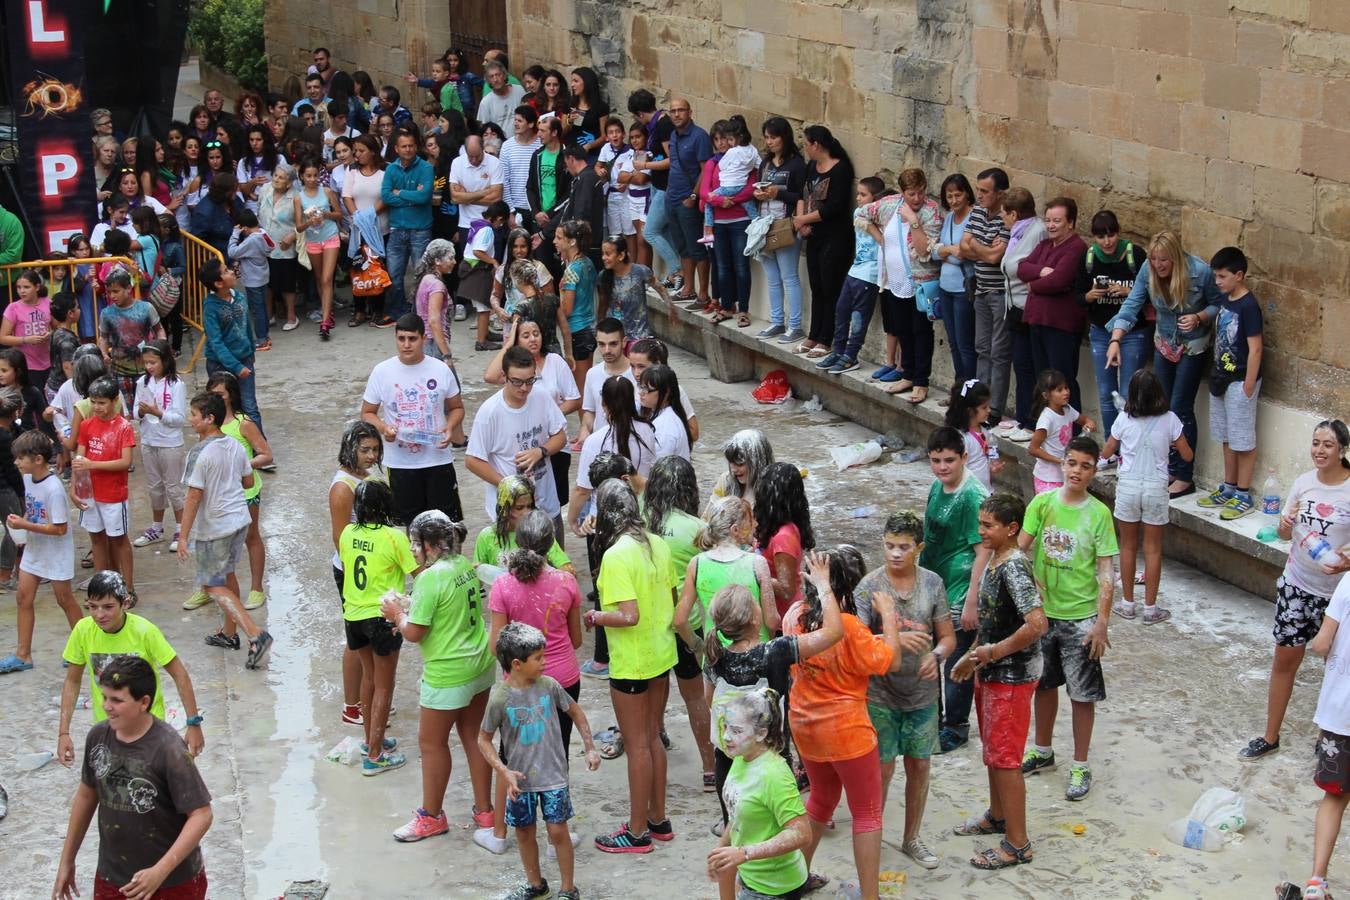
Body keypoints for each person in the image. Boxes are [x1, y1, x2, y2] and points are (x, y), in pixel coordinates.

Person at [702, 558, 845, 898]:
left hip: (730, 759)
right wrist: (824, 585)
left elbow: (710, 701)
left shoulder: (715, 655)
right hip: (768, 758)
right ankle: (786, 881)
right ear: (755, 617)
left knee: (735, 828)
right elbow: (834, 633)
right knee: (778, 823)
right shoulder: (775, 651)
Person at [783, 546, 902, 900]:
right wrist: (890, 618)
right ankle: (870, 896)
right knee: (866, 812)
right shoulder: (849, 626)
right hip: (847, 732)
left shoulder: (794, 616)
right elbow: (889, 662)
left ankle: (794, 879)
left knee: (821, 798)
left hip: (805, 725)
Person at [52, 657, 212, 900]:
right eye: (104, 697)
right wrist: (66, 861)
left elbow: (201, 815)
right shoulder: (98, 737)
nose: (107, 706)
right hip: (113, 878)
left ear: (144, 702)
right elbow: (86, 795)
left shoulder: (168, 749)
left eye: (117, 700)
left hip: (171, 883)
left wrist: (160, 871)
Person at [949, 492, 1048, 869]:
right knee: (994, 752)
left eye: (988, 526)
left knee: (1006, 759)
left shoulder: (1013, 566)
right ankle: (998, 816)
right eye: (980, 523)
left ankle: (1018, 844)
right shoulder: (996, 559)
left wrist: (990, 654)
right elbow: (992, 620)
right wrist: (974, 655)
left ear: (1012, 529)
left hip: (1011, 677)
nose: (981, 532)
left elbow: (1037, 624)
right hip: (992, 673)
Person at [1240, 420, 1350, 762]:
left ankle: (1326, 739)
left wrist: (1347, 562)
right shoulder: (1303, 483)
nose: (1319, 450)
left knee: (1336, 670)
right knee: (1284, 661)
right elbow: (1285, 535)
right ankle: (1270, 736)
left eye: (1328, 444)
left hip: (1337, 597)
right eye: (1315, 443)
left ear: (1343, 449)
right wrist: (1284, 526)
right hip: (1296, 586)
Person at [852, 511, 954, 869]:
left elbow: (947, 637)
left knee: (920, 766)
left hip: (922, 693)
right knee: (881, 769)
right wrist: (892, 636)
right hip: (880, 694)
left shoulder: (932, 584)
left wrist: (937, 656)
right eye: (890, 546)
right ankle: (872, 834)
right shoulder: (869, 586)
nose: (896, 553)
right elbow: (857, 641)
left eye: (904, 547)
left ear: (919, 548)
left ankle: (912, 837)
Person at [1018, 435, 1118, 801]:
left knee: (1082, 694)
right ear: (1063, 464)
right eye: (1072, 463)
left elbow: (1107, 573)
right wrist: (1030, 590)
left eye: (1085, 466)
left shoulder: (1099, 514)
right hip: (1043, 617)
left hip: (1081, 619)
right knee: (1043, 686)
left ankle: (1080, 764)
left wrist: (1102, 622)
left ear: (1094, 471)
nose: (1077, 471)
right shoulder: (1042, 505)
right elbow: (1018, 552)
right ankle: (1042, 750)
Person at [583, 479, 677, 853]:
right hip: (661, 656)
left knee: (637, 744)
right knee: (653, 738)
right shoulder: (658, 544)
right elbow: (669, 596)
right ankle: (658, 819)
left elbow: (629, 615)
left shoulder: (616, 555)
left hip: (632, 663)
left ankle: (637, 832)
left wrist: (595, 617)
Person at [478, 622, 601, 900]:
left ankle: (568, 889)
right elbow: (483, 740)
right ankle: (536, 885)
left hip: (553, 775)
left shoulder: (550, 686)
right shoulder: (500, 698)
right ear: (517, 664)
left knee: (558, 831)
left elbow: (577, 713)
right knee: (524, 831)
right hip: (520, 781)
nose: (545, 663)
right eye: (538, 658)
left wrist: (590, 748)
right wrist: (504, 771)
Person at [1105, 230, 1223, 498]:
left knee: (1180, 407)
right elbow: (1132, 303)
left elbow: (1219, 303)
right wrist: (1115, 339)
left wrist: (1200, 316)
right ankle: (1168, 467)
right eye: (1154, 259)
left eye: (1164, 260)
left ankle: (1184, 475)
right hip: (1163, 342)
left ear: (1177, 258)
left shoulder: (1200, 272)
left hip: (1193, 345)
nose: (1158, 265)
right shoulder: (1148, 269)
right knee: (1161, 406)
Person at [57, 569, 203, 765]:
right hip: (108, 732)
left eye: (108, 607)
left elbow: (180, 674)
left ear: (125, 603)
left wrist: (193, 724)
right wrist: (63, 732)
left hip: (150, 732)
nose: (99, 615)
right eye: (93, 607)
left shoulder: (145, 631)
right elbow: (72, 681)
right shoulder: (83, 631)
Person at [178, 391, 273, 669]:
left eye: (194, 414)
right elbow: (246, 480)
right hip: (239, 520)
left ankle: (255, 634)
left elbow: (193, 496)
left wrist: (183, 536)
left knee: (212, 584)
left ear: (208, 419)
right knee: (227, 573)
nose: (190, 419)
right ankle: (229, 635)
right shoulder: (233, 444)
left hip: (216, 527)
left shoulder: (198, 453)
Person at [921, 425, 992, 754]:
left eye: (949, 460)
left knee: (955, 661)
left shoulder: (973, 497)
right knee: (928, 654)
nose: (942, 467)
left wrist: (972, 602)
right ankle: (933, 719)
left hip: (960, 589)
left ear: (964, 458)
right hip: (933, 585)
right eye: (935, 461)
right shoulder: (937, 486)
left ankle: (956, 725)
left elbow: (983, 551)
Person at [337, 479, 414, 776]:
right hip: (382, 617)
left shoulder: (347, 532)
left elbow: (346, 565)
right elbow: (417, 572)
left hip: (353, 614)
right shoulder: (394, 537)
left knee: (369, 680)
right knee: (384, 684)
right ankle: (375, 755)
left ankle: (372, 739)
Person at [1101, 369, 1191, 623]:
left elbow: (1108, 450)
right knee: (1152, 550)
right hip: (1156, 488)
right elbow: (1187, 455)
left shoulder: (1123, 419)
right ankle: (1151, 609)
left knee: (1127, 546)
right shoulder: (1171, 419)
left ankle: (1128, 604)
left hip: (1128, 486)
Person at [706, 687, 813, 900]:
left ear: (761, 733)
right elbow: (737, 815)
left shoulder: (774, 775)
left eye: (736, 731)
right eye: (725, 727)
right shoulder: (741, 758)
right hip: (751, 876)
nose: (726, 737)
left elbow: (802, 833)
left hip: (776, 887)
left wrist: (744, 853)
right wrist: (720, 852)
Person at [360, 314, 466, 525]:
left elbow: (456, 408)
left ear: (423, 338)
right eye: (401, 339)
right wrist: (384, 428)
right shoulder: (382, 372)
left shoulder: (440, 369)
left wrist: (450, 427)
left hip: (438, 459)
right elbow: (367, 413)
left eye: (412, 339)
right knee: (409, 525)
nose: (406, 345)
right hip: (400, 463)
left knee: (446, 524)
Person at [856, 169, 939, 404]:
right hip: (894, 279)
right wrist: (879, 237)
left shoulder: (931, 211)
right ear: (903, 192)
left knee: (921, 331)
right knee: (903, 328)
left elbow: (924, 251)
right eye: (911, 194)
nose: (916, 198)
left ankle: (922, 381)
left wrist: (913, 221)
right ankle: (908, 374)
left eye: (921, 192)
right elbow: (861, 214)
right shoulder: (889, 204)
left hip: (921, 281)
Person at [465, 345, 568, 533]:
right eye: (517, 382)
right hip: (512, 513)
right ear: (504, 377)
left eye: (530, 381)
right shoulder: (490, 413)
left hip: (546, 502)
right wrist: (508, 484)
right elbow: (472, 460)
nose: (525, 388)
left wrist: (540, 451)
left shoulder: (541, 397)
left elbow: (560, 436)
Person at [0, 430, 79, 675]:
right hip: (35, 550)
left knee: (64, 599)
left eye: (20, 458)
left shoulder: (54, 489)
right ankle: (23, 654)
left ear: (37, 459)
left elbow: (59, 528)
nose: (16, 462)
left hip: (56, 553)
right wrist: (22, 521)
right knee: (23, 598)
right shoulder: (27, 480)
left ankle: (85, 646)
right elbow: (33, 512)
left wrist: (24, 525)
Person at [1196, 246, 1265, 520]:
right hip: (1220, 378)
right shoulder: (1226, 299)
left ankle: (1244, 494)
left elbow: (1256, 348)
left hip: (1239, 381)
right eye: (1216, 276)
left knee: (1242, 440)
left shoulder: (1249, 306)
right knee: (1226, 437)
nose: (1218, 281)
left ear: (1239, 275)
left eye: (1223, 276)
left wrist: (1248, 384)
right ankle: (1229, 486)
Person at [1076, 210, 1147, 446]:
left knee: (1128, 394)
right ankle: (1111, 446)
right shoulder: (1088, 258)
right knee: (1107, 393)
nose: (1107, 242)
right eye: (1101, 236)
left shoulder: (1134, 255)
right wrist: (1089, 295)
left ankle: (1127, 447)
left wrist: (1129, 292)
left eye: (1111, 235)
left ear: (1118, 233)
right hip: (1100, 331)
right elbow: (1076, 297)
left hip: (1132, 332)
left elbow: (1151, 292)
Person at [329, 421, 382, 728]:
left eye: (375, 450)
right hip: (353, 573)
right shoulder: (342, 487)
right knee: (358, 642)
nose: (371, 456)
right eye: (365, 450)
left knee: (368, 641)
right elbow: (340, 537)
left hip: (369, 571)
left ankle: (368, 699)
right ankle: (353, 706)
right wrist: (357, 580)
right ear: (350, 449)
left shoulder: (365, 477)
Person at [1018, 197, 1089, 414]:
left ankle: (1072, 430)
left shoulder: (1076, 247)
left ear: (1071, 223)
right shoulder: (1045, 245)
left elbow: (1059, 280)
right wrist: (1040, 272)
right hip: (1038, 320)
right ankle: (1048, 425)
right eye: (1048, 220)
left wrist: (1034, 284)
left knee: (1063, 380)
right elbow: (1021, 268)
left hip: (1061, 325)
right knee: (1044, 380)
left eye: (1057, 221)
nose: (1051, 225)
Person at [793, 126, 856, 358]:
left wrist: (803, 219)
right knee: (817, 286)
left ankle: (826, 339)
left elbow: (834, 207)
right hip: (814, 234)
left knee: (831, 288)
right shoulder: (812, 167)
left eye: (807, 144)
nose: (806, 148)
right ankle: (814, 333)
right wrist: (802, 221)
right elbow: (804, 193)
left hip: (835, 236)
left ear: (816, 145)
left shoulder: (840, 170)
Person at [812, 176, 884, 375]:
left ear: (876, 198)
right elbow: (864, 218)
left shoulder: (883, 216)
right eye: (858, 194)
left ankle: (851, 355)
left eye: (863, 194)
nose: (858, 198)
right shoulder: (859, 213)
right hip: (855, 271)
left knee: (859, 317)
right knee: (841, 310)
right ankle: (839, 349)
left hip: (870, 275)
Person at [568, 377, 657, 537]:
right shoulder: (647, 431)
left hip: (603, 521)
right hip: (640, 516)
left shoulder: (595, 441)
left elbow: (582, 489)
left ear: (604, 404)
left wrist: (572, 520)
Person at [74, 376, 136, 596]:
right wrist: (74, 489)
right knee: (97, 540)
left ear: (114, 400)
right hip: (91, 495)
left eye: (102, 402)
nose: (97, 407)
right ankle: (101, 587)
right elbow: (79, 462)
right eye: (93, 402)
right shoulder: (86, 425)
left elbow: (125, 462)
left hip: (113, 495)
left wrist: (93, 464)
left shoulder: (123, 427)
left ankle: (128, 588)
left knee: (119, 540)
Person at [996, 187, 1046, 440]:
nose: (1002, 218)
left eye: (1004, 213)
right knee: (1021, 365)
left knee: (1030, 367)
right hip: (1014, 307)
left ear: (1014, 214)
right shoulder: (1017, 233)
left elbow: (1029, 267)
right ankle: (1024, 416)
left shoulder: (1037, 232)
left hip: (1028, 308)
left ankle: (1032, 421)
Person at [753, 117, 807, 343]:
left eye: (773, 137)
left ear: (784, 137)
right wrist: (759, 195)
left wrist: (778, 193)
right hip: (764, 224)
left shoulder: (796, 164)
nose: (770, 141)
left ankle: (795, 326)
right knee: (772, 277)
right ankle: (777, 321)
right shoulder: (765, 163)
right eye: (766, 137)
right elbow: (757, 187)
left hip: (785, 224)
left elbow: (801, 195)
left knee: (789, 276)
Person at [699, 118, 758, 326]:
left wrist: (731, 200)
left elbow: (751, 188)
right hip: (719, 222)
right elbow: (704, 192)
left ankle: (743, 310)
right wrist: (719, 200)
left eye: (724, 138)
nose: (721, 143)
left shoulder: (745, 159)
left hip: (740, 220)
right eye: (716, 139)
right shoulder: (712, 163)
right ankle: (726, 306)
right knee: (722, 266)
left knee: (741, 266)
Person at [131, 341, 187, 551]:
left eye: (153, 362)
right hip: (149, 441)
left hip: (170, 443)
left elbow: (179, 418)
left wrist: (158, 413)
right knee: (155, 487)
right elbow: (135, 412)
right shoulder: (142, 383)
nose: (149, 367)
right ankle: (157, 527)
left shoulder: (176, 384)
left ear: (165, 361)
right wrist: (143, 412)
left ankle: (181, 528)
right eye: (146, 363)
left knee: (173, 487)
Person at [626, 89, 682, 289]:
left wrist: (645, 166)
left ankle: (678, 270)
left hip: (666, 186)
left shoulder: (663, 124)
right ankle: (676, 272)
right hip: (657, 186)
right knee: (664, 230)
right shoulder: (655, 125)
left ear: (640, 114)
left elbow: (671, 159)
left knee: (649, 232)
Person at [199, 258, 262, 431]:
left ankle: (259, 448)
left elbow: (247, 326)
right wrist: (236, 367)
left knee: (249, 405)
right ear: (218, 283)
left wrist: (250, 350)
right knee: (223, 407)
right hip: (219, 364)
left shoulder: (239, 297)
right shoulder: (211, 308)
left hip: (244, 358)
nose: (232, 272)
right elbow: (216, 342)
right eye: (226, 271)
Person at [665, 99, 714, 307]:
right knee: (682, 246)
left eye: (681, 110)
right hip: (672, 198)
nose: (676, 114)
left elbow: (706, 169)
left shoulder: (699, 136)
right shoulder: (673, 135)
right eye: (673, 111)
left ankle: (703, 293)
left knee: (697, 247)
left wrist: (694, 196)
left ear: (690, 112)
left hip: (688, 200)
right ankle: (688, 289)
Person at [754, 462, 815, 620]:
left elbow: (787, 589)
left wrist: (751, 572)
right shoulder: (774, 524)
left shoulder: (783, 538)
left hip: (783, 619)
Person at [97, 267, 162, 414]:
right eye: (109, 292)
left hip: (145, 368)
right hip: (119, 370)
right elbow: (104, 337)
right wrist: (104, 354)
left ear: (128, 288)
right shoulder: (106, 313)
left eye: (116, 291)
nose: (112, 296)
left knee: (147, 408)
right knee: (126, 411)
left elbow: (159, 329)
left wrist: (161, 345)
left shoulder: (146, 308)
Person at [933, 173, 978, 384]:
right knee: (953, 341)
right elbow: (934, 251)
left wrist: (946, 251)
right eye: (949, 196)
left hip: (962, 288)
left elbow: (963, 254)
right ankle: (959, 384)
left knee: (965, 343)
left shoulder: (974, 217)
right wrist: (948, 250)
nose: (953, 201)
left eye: (957, 195)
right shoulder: (950, 217)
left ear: (967, 194)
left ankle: (968, 390)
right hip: (945, 286)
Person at [294, 158, 343, 339]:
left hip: (330, 236)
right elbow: (298, 227)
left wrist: (325, 214)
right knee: (319, 277)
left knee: (327, 278)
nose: (312, 179)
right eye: (308, 176)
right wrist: (309, 222)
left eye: (315, 175)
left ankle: (324, 322)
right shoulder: (299, 198)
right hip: (312, 240)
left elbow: (339, 214)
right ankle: (327, 311)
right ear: (302, 177)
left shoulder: (327, 191)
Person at [1027, 368, 1095, 495]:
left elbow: (1084, 419)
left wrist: (1089, 423)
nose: (1066, 392)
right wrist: (1059, 460)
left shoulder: (1068, 410)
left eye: (1066, 388)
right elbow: (1033, 449)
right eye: (1059, 390)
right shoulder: (1047, 419)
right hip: (1048, 479)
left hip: (1064, 476)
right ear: (1046, 395)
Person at [459, 200, 511, 352]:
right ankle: (481, 342)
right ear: (499, 218)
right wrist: (494, 261)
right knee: (484, 307)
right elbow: (478, 251)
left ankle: (485, 333)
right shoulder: (487, 230)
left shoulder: (477, 224)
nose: (501, 225)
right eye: (502, 222)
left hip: (471, 268)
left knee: (484, 306)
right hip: (478, 271)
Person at [257, 165, 302, 332]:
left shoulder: (296, 197)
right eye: (275, 175)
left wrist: (292, 235)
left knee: (287, 284)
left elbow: (302, 223)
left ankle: (291, 316)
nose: (276, 179)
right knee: (267, 283)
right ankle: (269, 315)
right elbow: (258, 210)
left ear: (289, 182)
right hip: (264, 244)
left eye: (281, 177)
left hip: (284, 246)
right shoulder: (265, 189)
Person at [556, 219, 598, 384]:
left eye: (559, 238)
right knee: (586, 383)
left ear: (572, 241)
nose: (555, 242)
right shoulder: (587, 263)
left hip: (578, 331)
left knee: (580, 391)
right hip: (589, 328)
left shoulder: (572, 270)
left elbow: (567, 309)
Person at [227, 211, 276, 352]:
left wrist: (235, 234)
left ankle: (261, 340)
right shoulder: (263, 233)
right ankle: (265, 336)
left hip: (252, 279)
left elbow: (232, 252)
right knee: (262, 307)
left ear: (245, 228)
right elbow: (272, 246)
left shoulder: (251, 240)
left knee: (257, 309)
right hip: (263, 276)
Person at [1, 269, 53, 389]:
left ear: (37, 287)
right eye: (19, 287)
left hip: (48, 361)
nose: (22, 291)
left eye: (26, 287)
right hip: (26, 364)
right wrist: (26, 340)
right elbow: (3, 338)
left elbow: (57, 328)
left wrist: (49, 335)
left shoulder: (48, 302)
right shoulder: (13, 308)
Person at [945, 379, 1001, 490]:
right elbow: (957, 470)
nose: (989, 410)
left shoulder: (985, 430)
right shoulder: (961, 438)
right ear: (970, 411)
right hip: (969, 493)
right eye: (984, 407)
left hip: (986, 490)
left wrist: (992, 467)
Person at [637, 364, 694, 461]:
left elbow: (658, 465)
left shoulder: (666, 427)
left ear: (666, 393)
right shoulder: (659, 414)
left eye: (646, 389)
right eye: (641, 387)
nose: (641, 393)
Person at [413, 239, 457, 360]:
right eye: (451, 258)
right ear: (437, 261)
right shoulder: (436, 285)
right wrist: (446, 353)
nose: (454, 262)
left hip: (426, 341)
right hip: (433, 343)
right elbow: (434, 321)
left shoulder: (426, 279)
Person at [710, 428, 774, 511]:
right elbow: (708, 516)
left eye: (739, 464)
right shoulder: (725, 481)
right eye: (731, 462)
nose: (733, 469)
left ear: (757, 462)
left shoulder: (773, 489)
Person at [501, 106, 542, 226]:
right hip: (516, 208)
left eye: (520, 121)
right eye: (515, 120)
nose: (515, 124)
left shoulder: (541, 144)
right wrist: (510, 211)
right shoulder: (507, 146)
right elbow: (504, 180)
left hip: (538, 208)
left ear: (530, 124)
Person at [478, 60, 528, 136]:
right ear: (488, 81)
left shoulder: (519, 90)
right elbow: (484, 128)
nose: (495, 79)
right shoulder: (486, 102)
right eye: (491, 77)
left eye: (498, 75)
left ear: (504, 76)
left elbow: (528, 113)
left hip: (522, 139)